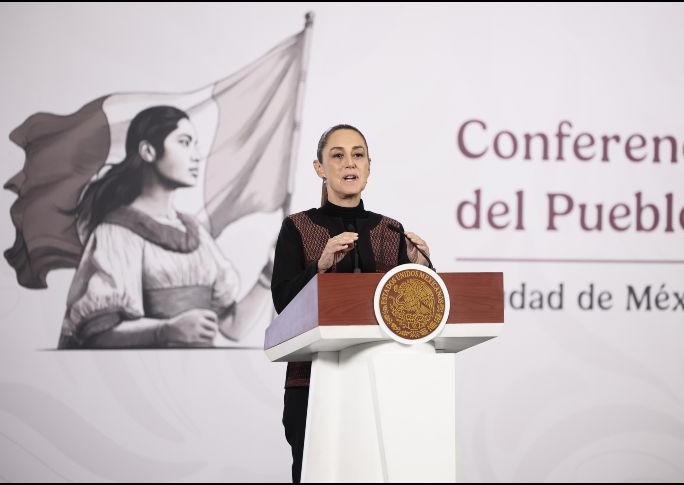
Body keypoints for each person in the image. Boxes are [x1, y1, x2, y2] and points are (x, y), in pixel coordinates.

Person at [270, 124, 431, 483]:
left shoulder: (392, 231)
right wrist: (320, 267)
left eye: (358, 154)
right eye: (337, 155)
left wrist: (424, 269)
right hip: (312, 384)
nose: (349, 163)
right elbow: (283, 302)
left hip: (386, 383)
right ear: (319, 168)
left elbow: (414, 313)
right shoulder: (297, 228)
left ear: (369, 167)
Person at [58, 106, 240, 348]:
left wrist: (269, 272)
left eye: (195, 144)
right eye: (185, 143)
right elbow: (97, 335)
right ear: (148, 151)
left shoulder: (194, 231)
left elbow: (232, 327)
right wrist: (166, 330)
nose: (196, 155)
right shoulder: (116, 232)